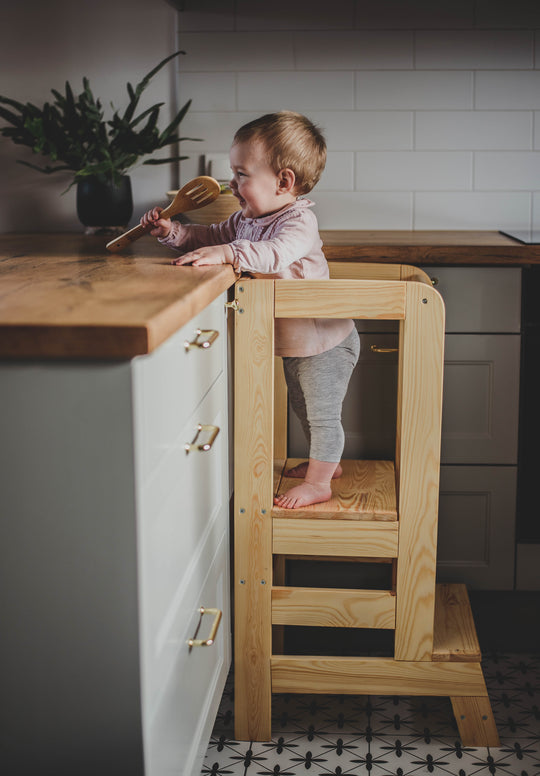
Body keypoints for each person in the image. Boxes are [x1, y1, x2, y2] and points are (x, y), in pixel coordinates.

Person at [140, 111, 360, 509]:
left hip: (326, 339)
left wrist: (228, 251)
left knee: (323, 414)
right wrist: (172, 232)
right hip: (297, 341)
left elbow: (274, 255)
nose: (231, 184)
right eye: (233, 172)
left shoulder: (298, 222)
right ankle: (325, 465)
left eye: (242, 174)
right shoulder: (246, 219)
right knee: (303, 407)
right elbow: (208, 236)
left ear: (284, 181)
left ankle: (320, 483)